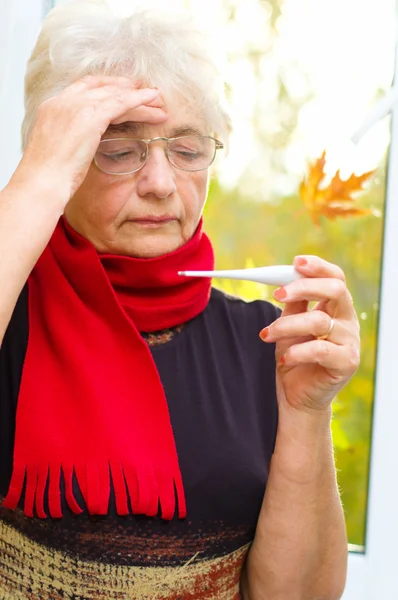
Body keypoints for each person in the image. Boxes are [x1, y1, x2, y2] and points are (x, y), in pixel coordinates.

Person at [0, 0, 360, 598]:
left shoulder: (268, 342)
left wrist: (306, 411)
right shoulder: (15, 313)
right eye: (119, 150)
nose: (163, 182)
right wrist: (34, 179)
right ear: (57, 158)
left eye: (188, 150)